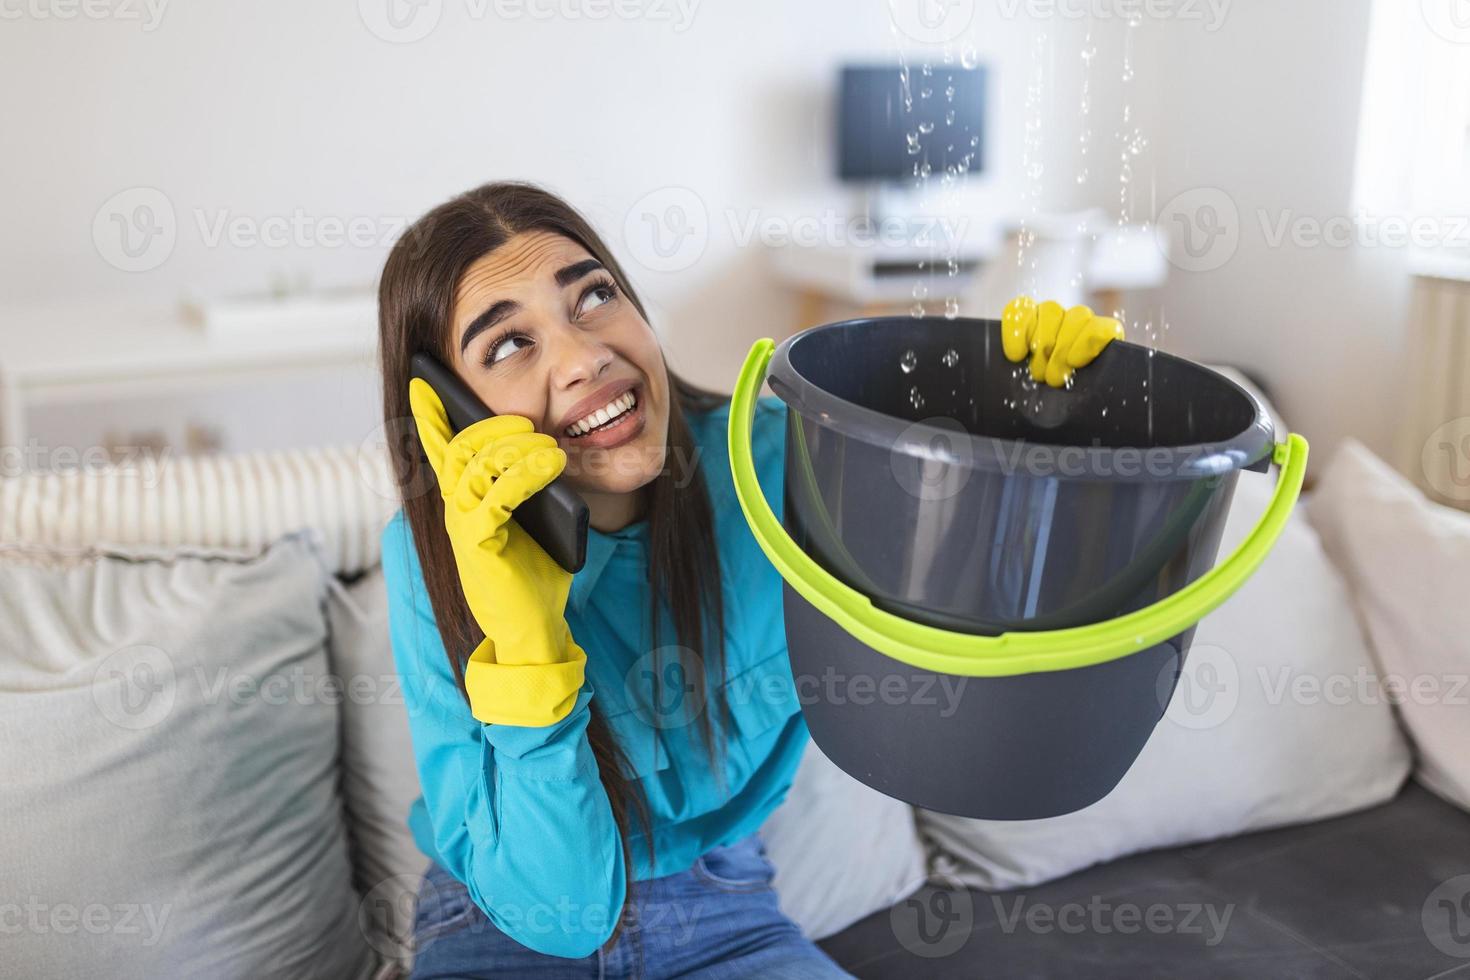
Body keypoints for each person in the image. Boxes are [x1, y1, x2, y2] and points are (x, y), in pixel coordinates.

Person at [376, 180, 1123, 978]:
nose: (584, 356)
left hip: (721, 907)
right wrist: (527, 648)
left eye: (592, 296)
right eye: (508, 344)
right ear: (451, 410)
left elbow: (986, 653)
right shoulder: (433, 562)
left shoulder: (789, 467)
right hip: (507, 914)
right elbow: (564, 916)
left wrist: (1036, 435)